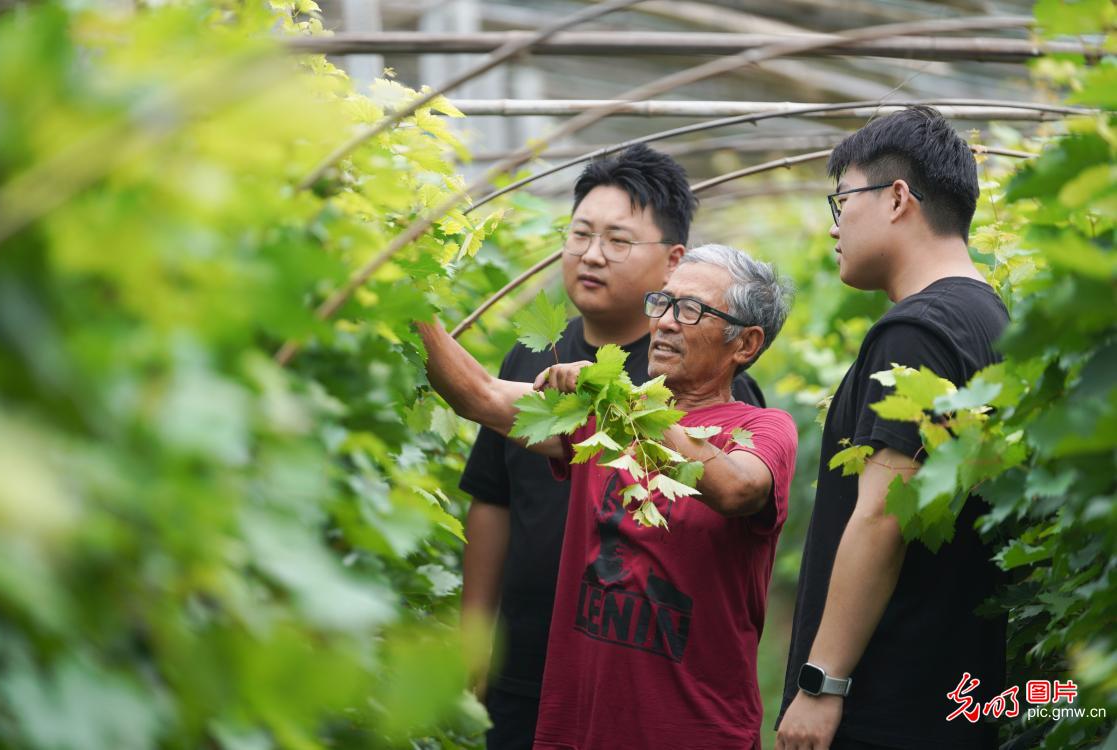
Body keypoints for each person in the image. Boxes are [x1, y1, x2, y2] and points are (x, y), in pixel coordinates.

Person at [419, 244, 797, 749]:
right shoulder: (604, 415)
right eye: (662, 302)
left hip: (693, 734)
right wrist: (411, 299)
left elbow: (737, 488)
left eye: (690, 310)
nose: (664, 322)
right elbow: (479, 395)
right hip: (576, 729)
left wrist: (622, 398)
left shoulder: (764, 428)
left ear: (745, 344)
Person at [776, 106, 1009, 750]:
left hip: (888, 705)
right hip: (954, 694)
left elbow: (883, 515)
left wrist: (822, 684)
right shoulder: (989, 319)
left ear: (898, 198)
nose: (834, 226)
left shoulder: (916, 332)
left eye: (842, 200)